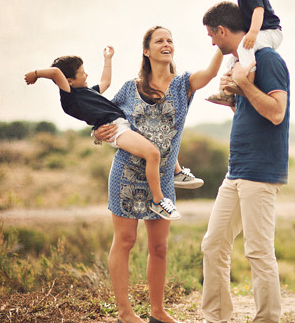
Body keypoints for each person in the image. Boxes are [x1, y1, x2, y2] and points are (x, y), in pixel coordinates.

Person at [93, 26, 223, 323]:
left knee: (160, 247)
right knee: (124, 241)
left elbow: (211, 73)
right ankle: (125, 314)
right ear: (147, 51)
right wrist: (97, 133)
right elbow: (102, 117)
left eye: (170, 40)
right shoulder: (128, 88)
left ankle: (158, 311)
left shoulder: (183, 85)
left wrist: (223, 41)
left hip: (162, 180)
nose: (166, 44)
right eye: (159, 41)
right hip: (126, 174)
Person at [182, 1, 290, 323]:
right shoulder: (242, 64)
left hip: (261, 171)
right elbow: (248, 107)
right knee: (213, 244)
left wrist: (244, 87)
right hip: (237, 169)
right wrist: (232, 95)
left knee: (259, 252)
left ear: (223, 30)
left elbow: (276, 112)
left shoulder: (269, 60)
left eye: (212, 34)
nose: (212, 42)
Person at [24, 47, 180, 220]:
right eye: (82, 73)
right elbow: (55, 72)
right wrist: (36, 74)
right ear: (68, 81)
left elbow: (105, 82)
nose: (86, 75)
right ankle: (158, 201)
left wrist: (108, 59)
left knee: (160, 133)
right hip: (115, 129)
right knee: (152, 154)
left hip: (125, 121)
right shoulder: (70, 98)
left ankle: (177, 172)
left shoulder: (87, 92)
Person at [206, 0, 283, 107]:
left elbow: (258, 10)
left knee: (243, 48)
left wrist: (253, 32)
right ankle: (229, 94)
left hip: (269, 32)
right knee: (233, 58)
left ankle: (247, 81)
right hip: (262, 32)